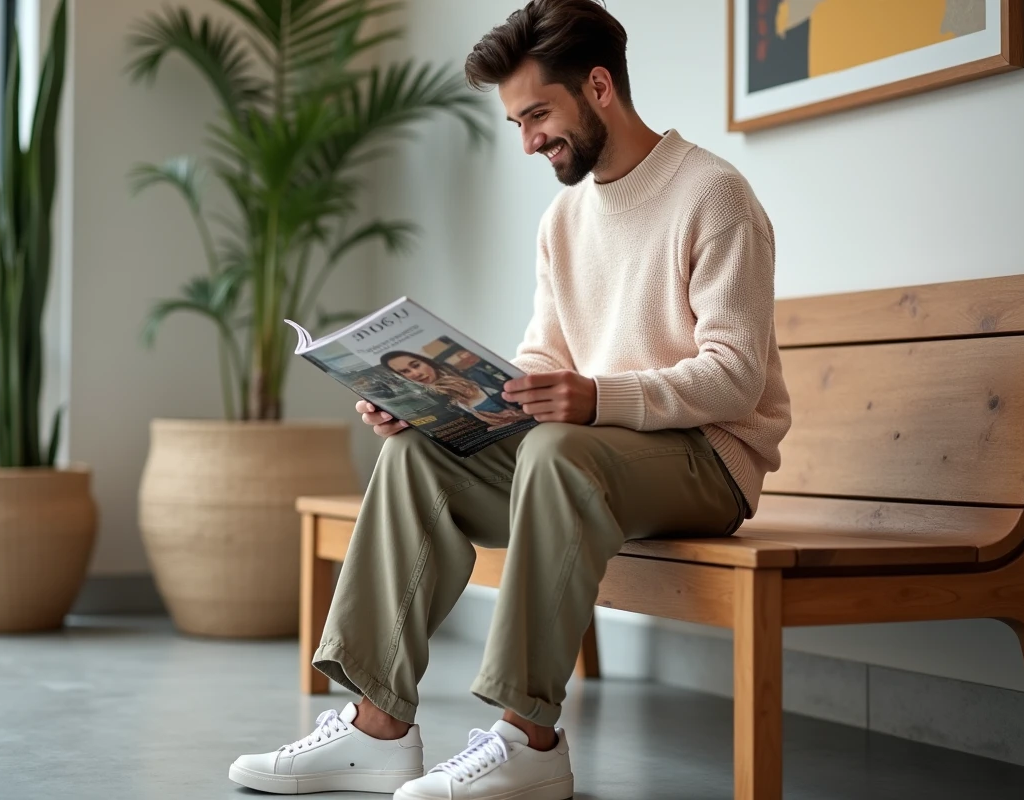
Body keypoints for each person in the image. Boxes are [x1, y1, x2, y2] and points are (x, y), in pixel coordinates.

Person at [229, 1, 791, 797]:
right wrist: (434, 406)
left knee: (561, 451)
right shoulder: (564, 220)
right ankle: (376, 728)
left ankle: (530, 740)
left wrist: (595, 397)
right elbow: (542, 362)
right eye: (518, 122)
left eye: (538, 115)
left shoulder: (714, 194)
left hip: (708, 463)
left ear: (599, 87)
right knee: (418, 453)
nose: (528, 141)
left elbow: (734, 377)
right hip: (592, 455)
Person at [381, 350, 530, 429]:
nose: (415, 374)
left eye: (416, 365)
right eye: (405, 372)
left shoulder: (471, 374)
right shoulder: (427, 398)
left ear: (426, 362)